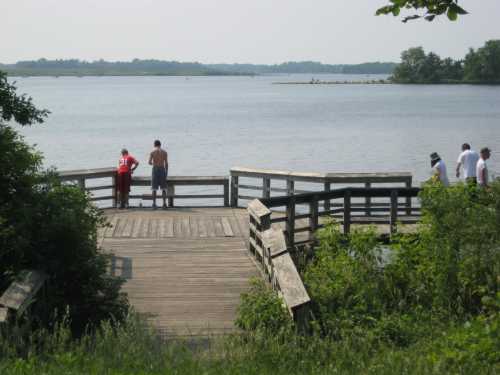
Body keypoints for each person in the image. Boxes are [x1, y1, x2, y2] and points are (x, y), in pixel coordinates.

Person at [148, 139, 168, 209]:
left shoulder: (152, 152)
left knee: (154, 188)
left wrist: (154, 163)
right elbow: (166, 163)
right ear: (160, 144)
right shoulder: (164, 152)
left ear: (154, 145)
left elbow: (149, 162)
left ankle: (154, 204)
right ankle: (164, 204)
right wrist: (166, 173)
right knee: (163, 188)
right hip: (162, 169)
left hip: (155, 169)